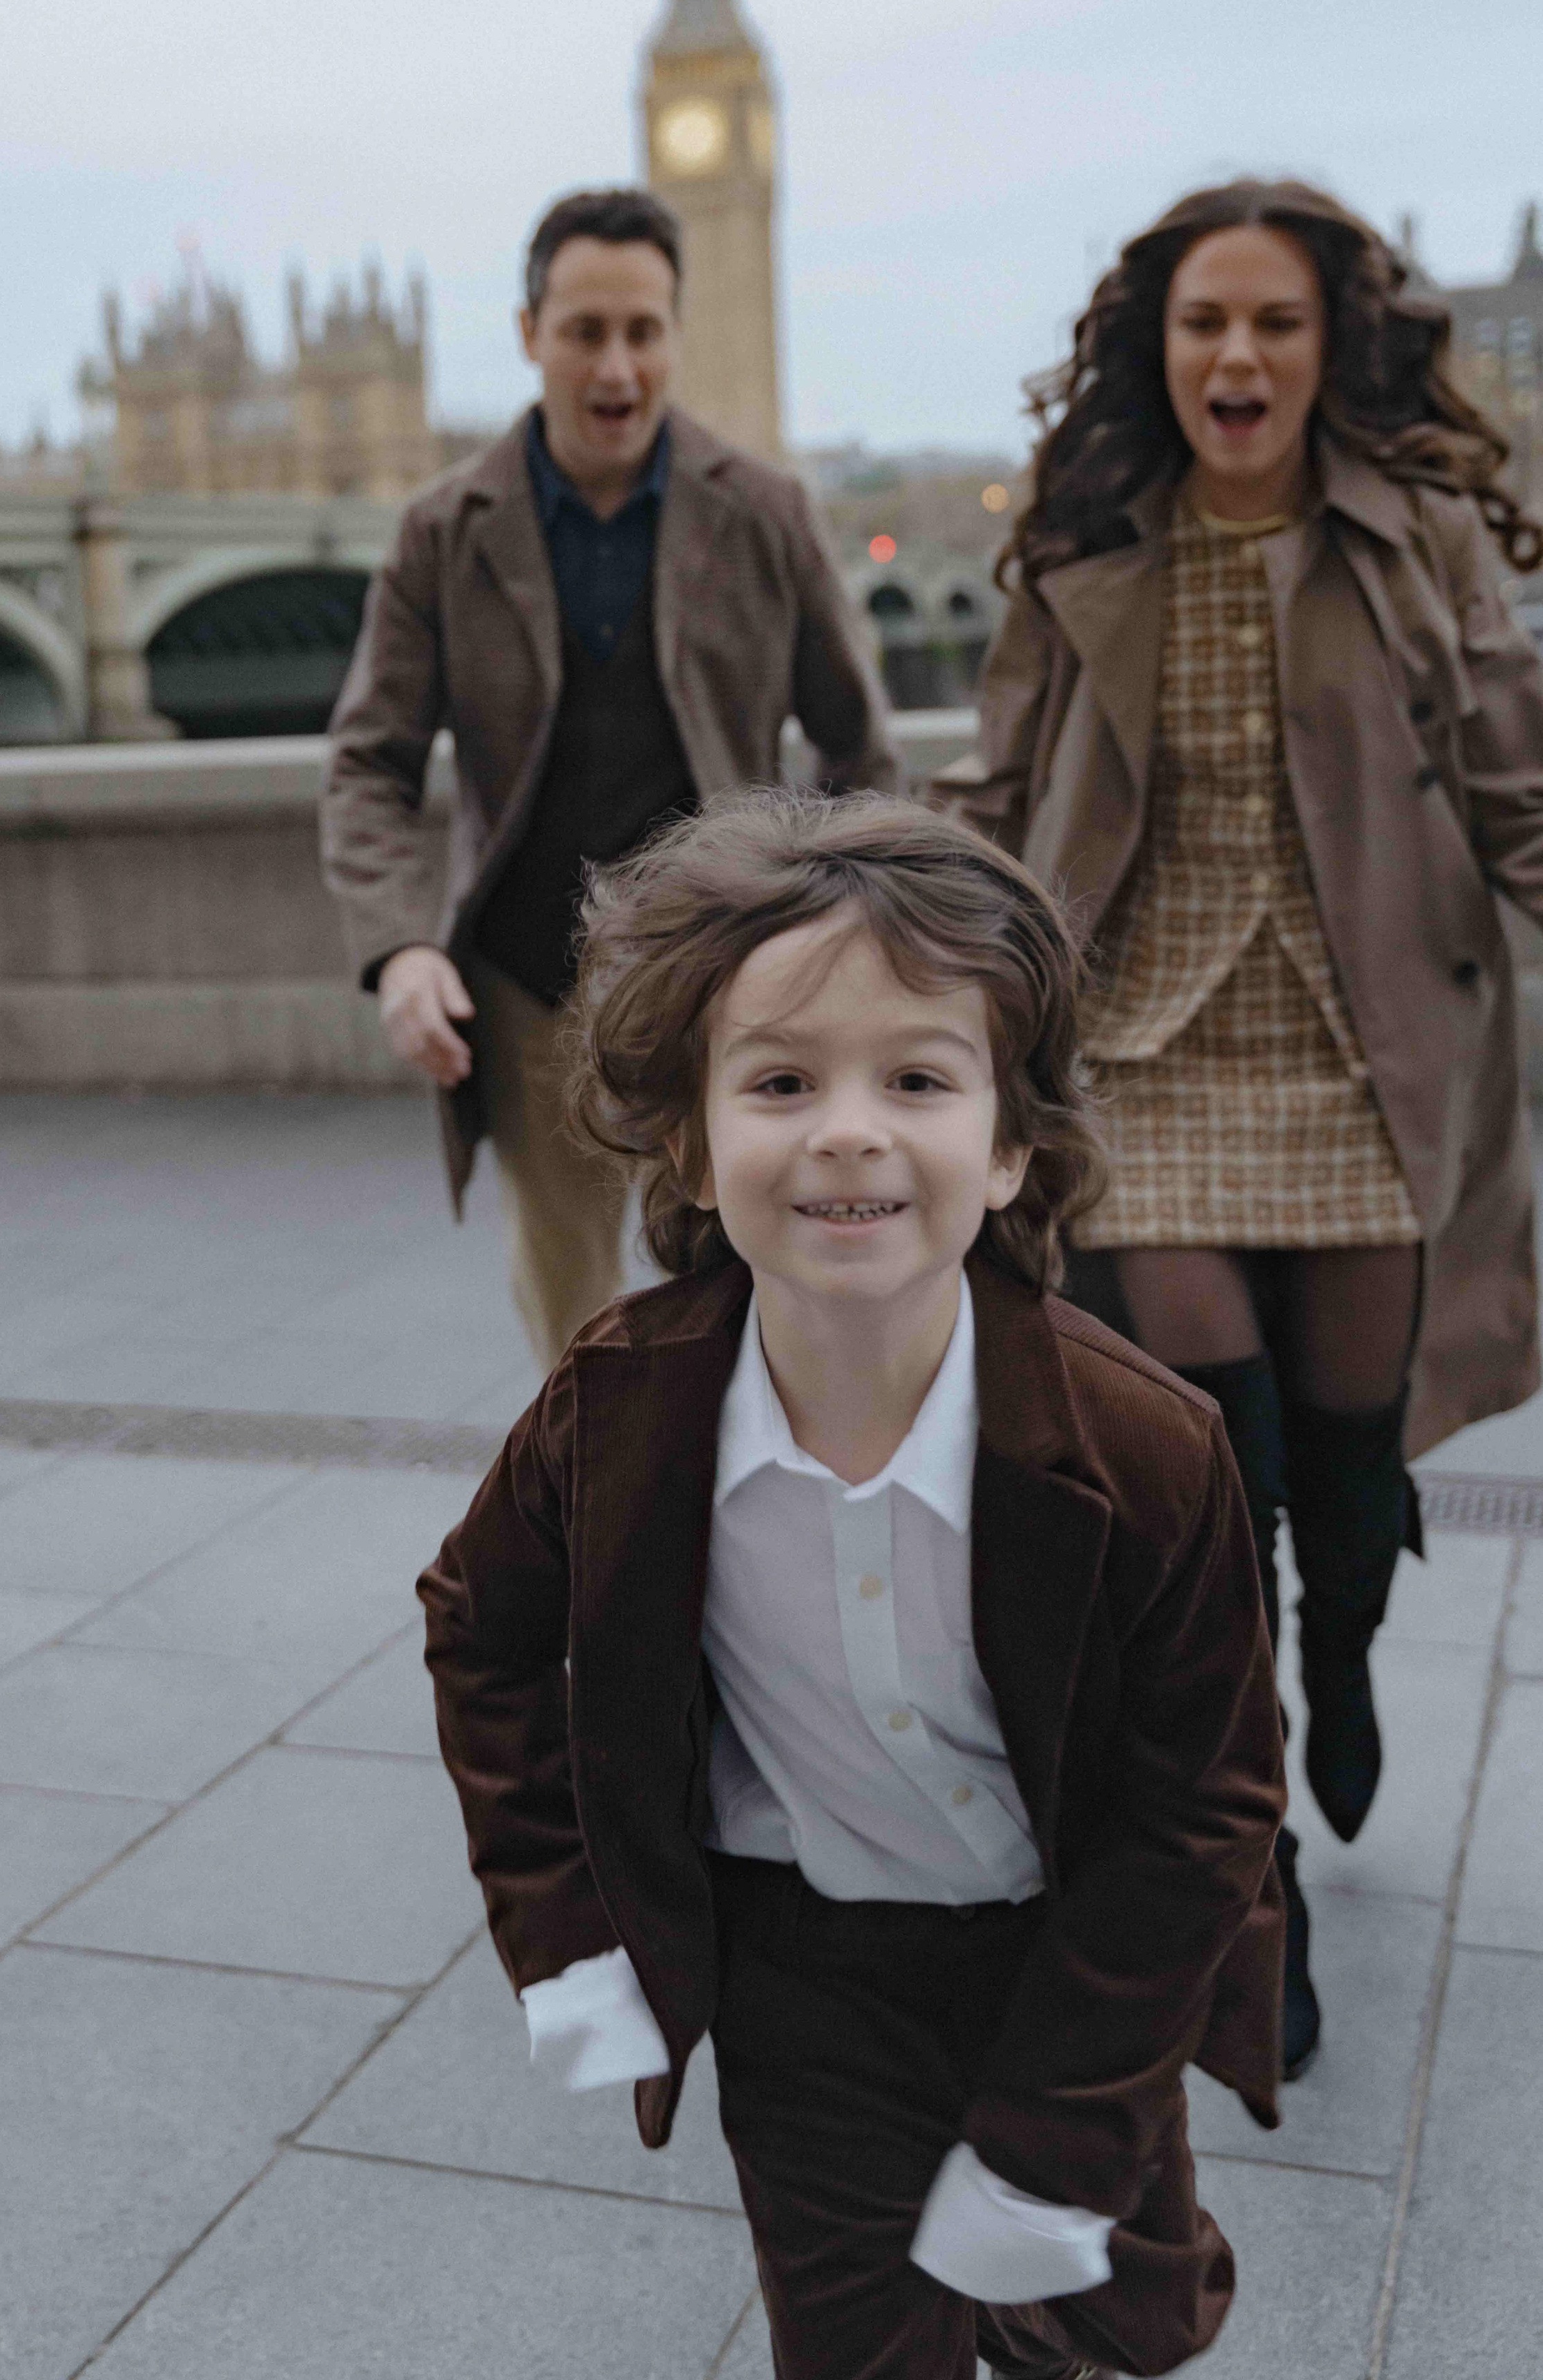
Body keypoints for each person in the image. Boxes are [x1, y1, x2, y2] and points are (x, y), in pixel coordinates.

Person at [420, 791, 1286, 2380]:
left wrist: (1060, 2120)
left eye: (915, 1077)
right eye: (778, 1079)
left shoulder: (1146, 1450)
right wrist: (564, 1927)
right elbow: (480, 1625)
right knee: (853, 2338)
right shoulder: (615, 1414)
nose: (846, 1127)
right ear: (684, 1132)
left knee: (1117, 2312)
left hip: (1066, 1954)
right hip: (800, 1970)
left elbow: (1206, 1800)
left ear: (1010, 1141)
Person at [943, 175, 1543, 2076]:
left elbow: (1516, 782)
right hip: (1137, 1055)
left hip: (1364, 1048)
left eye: (1271, 323)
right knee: (1210, 1479)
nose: (1235, 355)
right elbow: (993, 794)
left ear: (1324, 348)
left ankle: (1348, 1630)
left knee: (1347, 1467)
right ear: (1157, 348)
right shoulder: (1079, 555)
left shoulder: (1417, 538)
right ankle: (1249, 1849)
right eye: (1202, 321)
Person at [320, 186, 896, 1370]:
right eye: (585, 331)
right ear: (530, 332)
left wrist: (846, 930)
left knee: (759, 1311)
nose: (617, 365)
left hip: (735, 974)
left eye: (643, 331)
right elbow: (369, 761)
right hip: (529, 987)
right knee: (576, 1337)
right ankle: (608, 1544)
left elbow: (860, 750)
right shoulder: (442, 530)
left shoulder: (764, 512)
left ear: (675, 334)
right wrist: (400, 948)